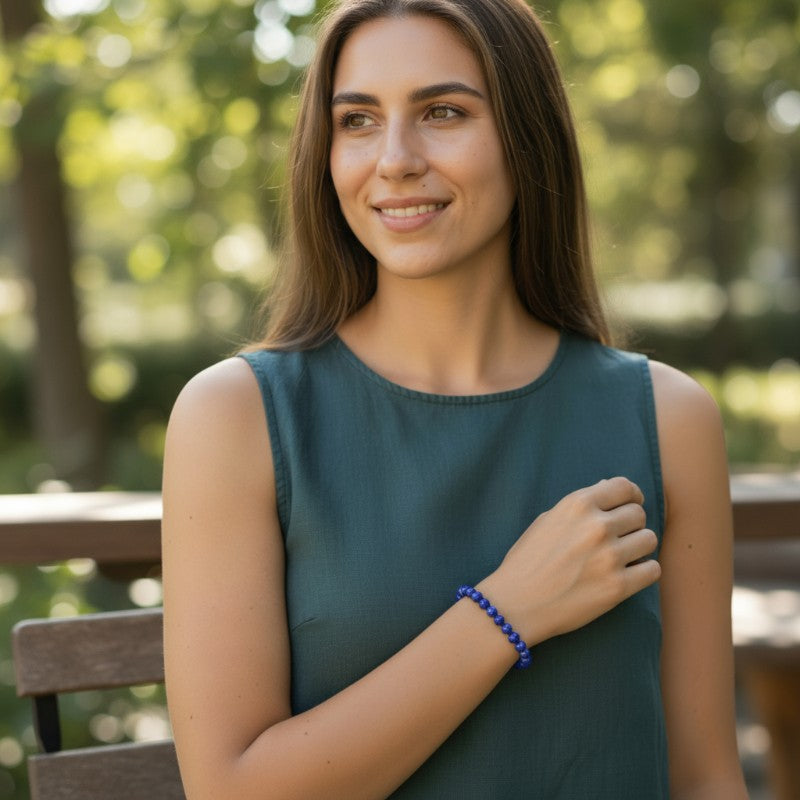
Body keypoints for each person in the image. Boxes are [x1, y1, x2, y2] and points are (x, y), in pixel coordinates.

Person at [161, 1, 748, 797]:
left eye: (443, 112)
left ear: (526, 136)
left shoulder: (668, 418)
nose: (395, 159)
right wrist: (506, 614)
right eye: (358, 120)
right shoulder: (236, 418)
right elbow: (230, 790)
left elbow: (705, 778)